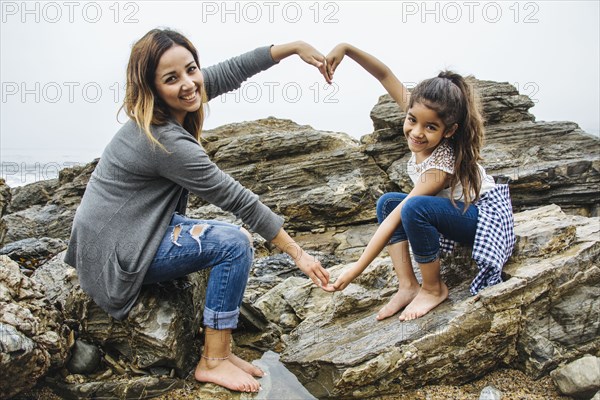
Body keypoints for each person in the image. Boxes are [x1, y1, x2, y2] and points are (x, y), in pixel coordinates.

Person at [64, 28, 332, 393]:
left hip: (134, 230)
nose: (189, 84)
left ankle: (222, 349)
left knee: (225, 237)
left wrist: (293, 48)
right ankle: (214, 360)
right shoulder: (164, 140)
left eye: (192, 69)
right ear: (151, 87)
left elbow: (232, 70)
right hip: (117, 255)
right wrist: (297, 252)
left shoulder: (171, 109)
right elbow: (234, 197)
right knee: (234, 243)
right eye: (171, 78)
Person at [322, 43, 515, 322]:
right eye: (412, 120)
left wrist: (356, 268)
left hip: (483, 219)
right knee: (388, 202)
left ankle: (434, 288)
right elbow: (384, 74)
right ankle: (407, 286)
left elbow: (398, 219)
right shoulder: (422, 111)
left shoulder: (440, 167)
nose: (417, 132)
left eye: (430, 127)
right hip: (454, 210)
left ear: (449, 131)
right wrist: (346, 49)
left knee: (413, 208)